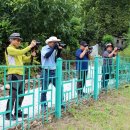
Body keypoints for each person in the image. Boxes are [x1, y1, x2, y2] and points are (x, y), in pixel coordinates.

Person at [5, 33, 37, 120]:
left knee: (21, 94)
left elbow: (25, 59)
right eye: (17, 40)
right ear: (11, 40)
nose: (19, 42)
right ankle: (8, 114)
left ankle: (18, 112)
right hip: (13, 75)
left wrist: (31, 56)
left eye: (19, 40)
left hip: (21, 75)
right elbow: (21, 52)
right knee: (13, 95)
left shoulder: (17, 50)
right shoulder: (9, 49)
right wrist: (30, 46)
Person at [40, 36, 64, 112]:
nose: (55, 44)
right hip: (46, 71)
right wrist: (54, 48)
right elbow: (47, 56)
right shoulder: (44, 48)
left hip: (54, 71)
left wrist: (59, 51)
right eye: (54, 42)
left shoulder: (54, 50)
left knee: (59, 87)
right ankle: (43, 106)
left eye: (56, 42)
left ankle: (60, 103)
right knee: (44, 90)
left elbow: (56, 59)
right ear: (49, 42)